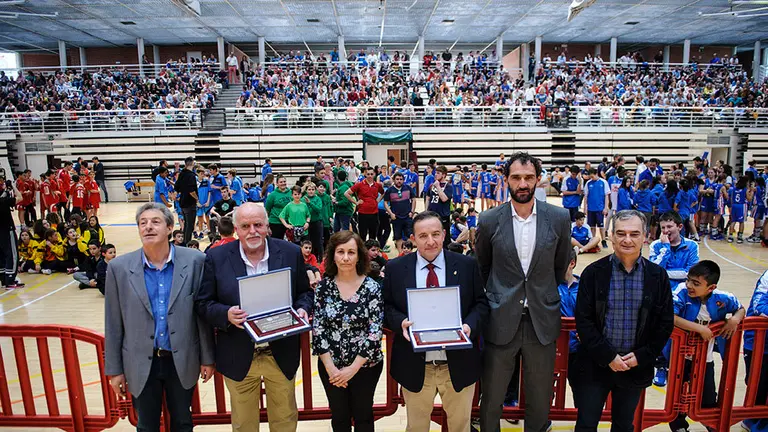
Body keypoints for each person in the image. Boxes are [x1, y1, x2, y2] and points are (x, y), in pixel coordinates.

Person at [195, 203, 313, 432]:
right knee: (243, 424)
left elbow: (304, 293)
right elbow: (203, 303)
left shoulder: (289, 252)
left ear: (267, 226)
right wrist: (226, 314)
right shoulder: (216, 257)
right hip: (238, 354)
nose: (253, 231)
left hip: (280, 353)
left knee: (285, 420)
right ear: (236, 229)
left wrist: (302, 309)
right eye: (246, 226)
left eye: (258, 225)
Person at [476, 152, 571, 432]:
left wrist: (540, 293)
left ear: (538, 180)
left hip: (541, 319)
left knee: (540, 398)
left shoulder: (559, 217)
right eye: (516, 177)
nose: (522, 183)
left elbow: (560, 264)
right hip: (501, 317)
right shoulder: (489, 219)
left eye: (529, 177)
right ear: (506, 180)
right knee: (492, 397)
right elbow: (483, 267)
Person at [104, 202, 215, 432]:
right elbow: (113, 323)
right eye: (142, 223)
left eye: (155, 222)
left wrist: (207, 358)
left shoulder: (195, 261)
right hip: (140, 361)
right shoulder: (119, 268)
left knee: (183, 423)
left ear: (170, 228)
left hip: (181, 358)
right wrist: (114, 370)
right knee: (146, 425)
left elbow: (201, 315)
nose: (148, 227)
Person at [383, 211, 488, 432]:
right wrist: (400, 322)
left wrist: (469, 326)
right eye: (423, 236)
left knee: (460, 426)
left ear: (444, 235)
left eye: (436, 234)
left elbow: (481, 305)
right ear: (412, 238)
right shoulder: (395, 269)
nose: (430, 241)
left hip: (457, 364)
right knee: (417, 427)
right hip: (416, 365)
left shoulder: (467, 265)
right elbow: (387, 307)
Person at [574, 210, 674, 432]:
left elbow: (664, 323)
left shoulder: (657, 277)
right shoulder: (593, 273)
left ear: (645, 236)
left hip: (634, 366)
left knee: (623, 425)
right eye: (621, 233)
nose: (627, 239)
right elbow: (584, 320)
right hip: (595, 365)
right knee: (586, 424)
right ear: (610, 236)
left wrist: (642, 356)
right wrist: (608, 356)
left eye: (634, 234)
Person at [313, 230, 383, 432]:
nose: (345, 258)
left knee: (364, 418)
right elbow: (318, 328)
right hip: (331, 367)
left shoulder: (372, 287)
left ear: (359, 255)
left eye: (351, 252)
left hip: (365, 366)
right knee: (339, 418)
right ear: (332, 255)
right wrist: (332, 369)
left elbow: (375, 331)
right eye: (340, 251)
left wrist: (352, 369)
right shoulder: (324, 287)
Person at [667, 260, 744, 432]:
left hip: (705, 358)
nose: (689, 285)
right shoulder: (680, 291)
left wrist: (735, 319)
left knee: (708, 394)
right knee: (678, 394)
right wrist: (699, 328)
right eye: (688, 280)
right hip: (679, 357)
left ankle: (711, 423)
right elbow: (670, 316)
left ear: (711, 287)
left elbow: (740, 308)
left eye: (696, 283)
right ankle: (679, 426)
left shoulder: (723, 298)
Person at [345, 167, 384, 242]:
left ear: (374, 175)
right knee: (363, 235)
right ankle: (363, 252)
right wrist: (356, 202)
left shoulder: (377, 185)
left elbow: (383, 193)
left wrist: (377, 201)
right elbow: (346, 193)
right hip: (362, 213)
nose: (370, 176)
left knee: (373, 235)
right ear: (365, 174)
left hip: (374, 213)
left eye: (371, 174)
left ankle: (371, 252)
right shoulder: (359, 185)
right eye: (368, 174)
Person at [383, 171, 417, 254]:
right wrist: (391, 213)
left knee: (411, 235)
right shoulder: (390, 190)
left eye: (401, 179)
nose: (399, 181)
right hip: (396, 217)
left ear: (403, 180)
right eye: (397, 179)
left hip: (407, 216)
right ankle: (401, 254)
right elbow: (385, 203)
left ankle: (410, 253)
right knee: (398, 237)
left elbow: (413, 199)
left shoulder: (408, 188)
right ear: (394, 180)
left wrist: (412, 212)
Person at [0, 177, 23, 288]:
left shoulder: (3, 199)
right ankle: (10, 279)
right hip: (7, 230)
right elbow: (19, 197)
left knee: (1, 254)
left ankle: (4, 279)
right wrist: (13, 186)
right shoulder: (4, 201)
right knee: (12, 254)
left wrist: (5, 191)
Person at [426, 166, 454, 247]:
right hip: (432, 214)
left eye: (438, 173)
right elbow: (428, 198)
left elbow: (444, 198)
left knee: (444, 238)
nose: (436, 175)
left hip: (443, 215)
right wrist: (426, 210)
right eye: (435, 173)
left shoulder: (448, 186)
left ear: (444, 175)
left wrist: (438, 186)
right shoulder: (432, 185)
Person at [176, 157, 199, 245]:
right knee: (190, 226)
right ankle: (187, 243)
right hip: (190, 203)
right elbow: (191, 191)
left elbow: (177, 187)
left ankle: (184, 242)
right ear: (192, 163)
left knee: (186, 225)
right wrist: (197, 199)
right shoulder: (191, 175)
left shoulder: (182, 173)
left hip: (182, 202)